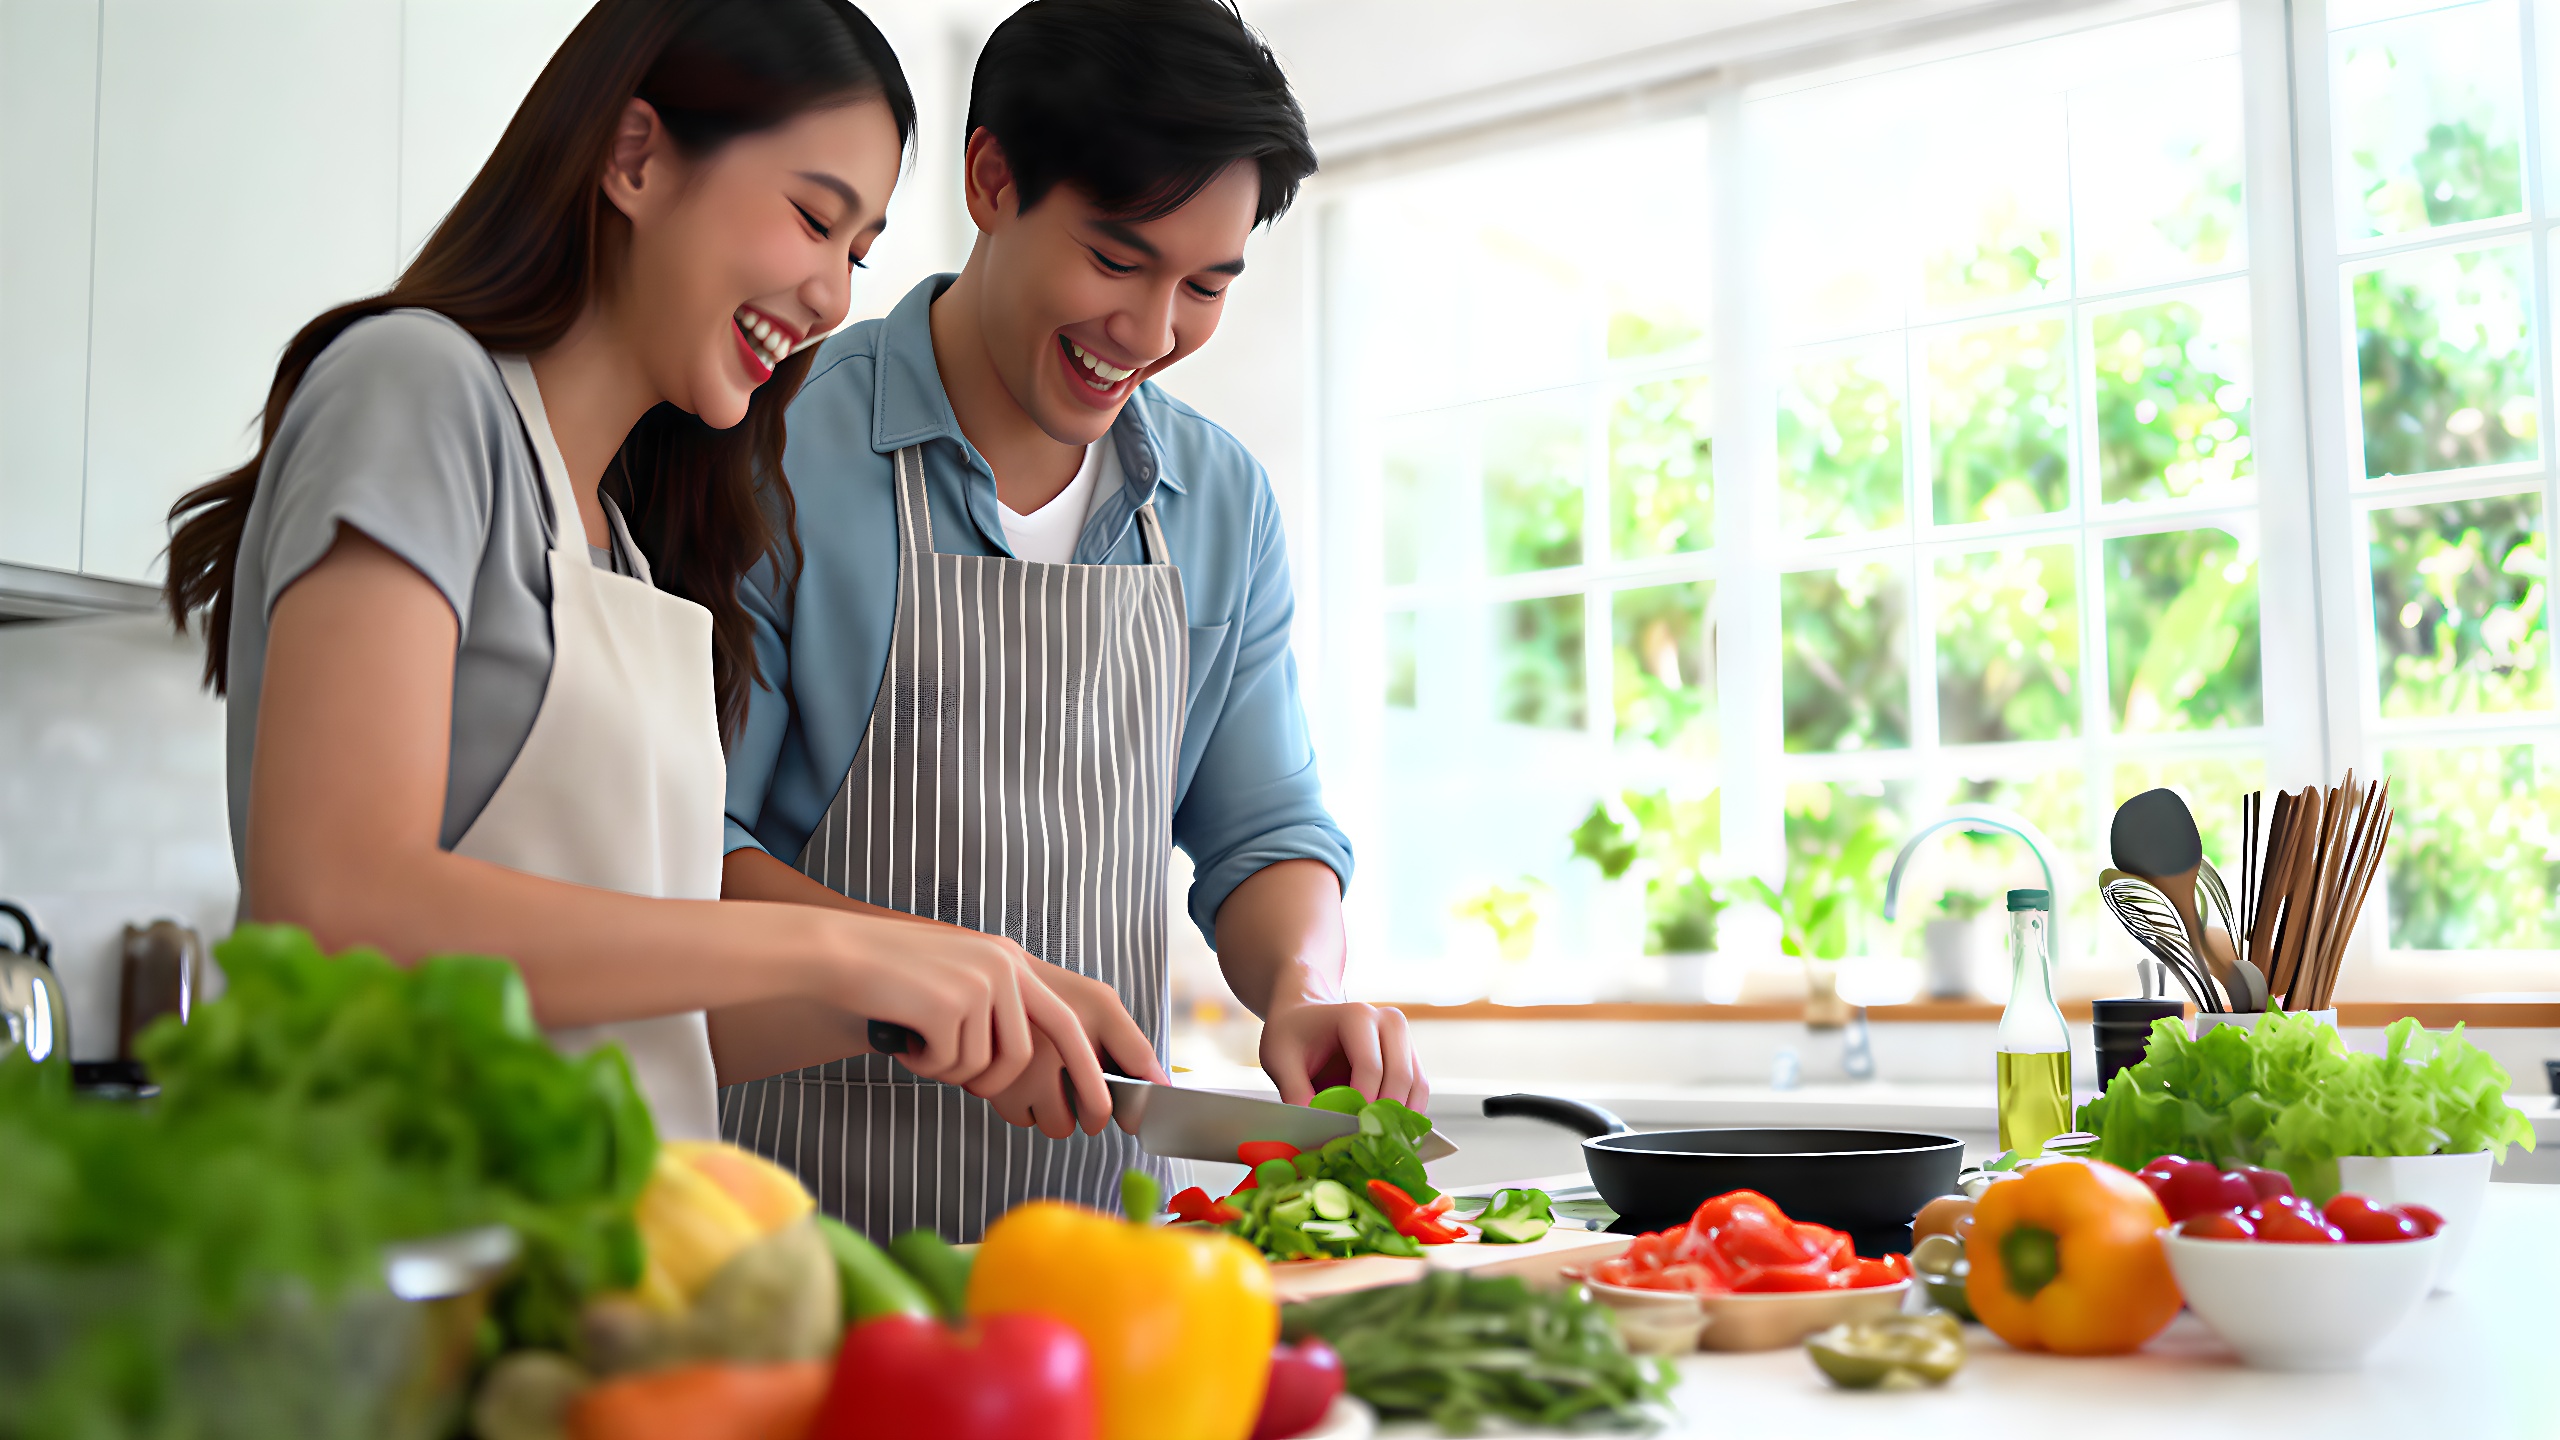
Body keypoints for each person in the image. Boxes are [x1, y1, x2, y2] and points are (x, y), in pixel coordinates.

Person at [161, 0, 1117, 1143]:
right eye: (816, 219)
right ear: (635, 156)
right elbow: (340, 908)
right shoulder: (414, 386)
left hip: (594, 1268)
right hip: (390, 1263)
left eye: (856, 254)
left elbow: (652, 1028)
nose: (833, 298)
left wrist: (940, 989)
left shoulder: (626, 538)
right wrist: (845, 944)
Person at [720, 0, 1429, 1240]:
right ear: (991, 181)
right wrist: (948, 974)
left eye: (1205, 285)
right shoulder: (767, 451)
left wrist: (1303, 988)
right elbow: (685, 865)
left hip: (1101, 1255)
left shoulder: (1218, 500)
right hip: (793, 1232)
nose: (1151, 336)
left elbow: (1262, 829)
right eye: (1116, 260)